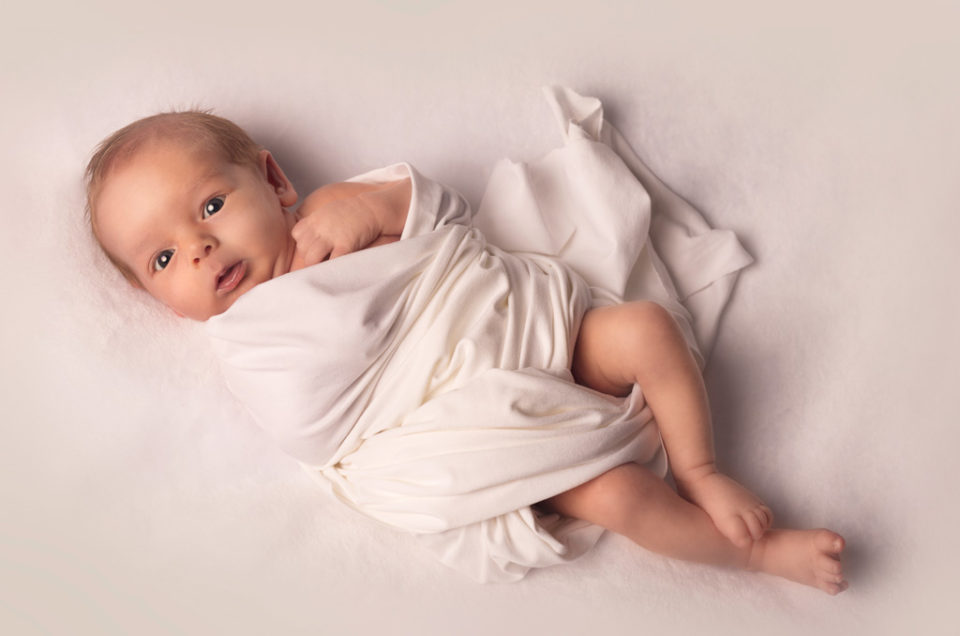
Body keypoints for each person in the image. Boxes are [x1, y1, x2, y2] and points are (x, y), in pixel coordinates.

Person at [85, 109, 848, 594]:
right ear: (160, 303)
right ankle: (755, 557)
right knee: (619, 498)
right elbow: (316, 432)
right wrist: (347, 323)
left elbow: (456, 226)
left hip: (533, 331)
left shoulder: (333, 210)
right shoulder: (247, 343)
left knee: (646, 328)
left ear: (273, 180)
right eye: (162, 260)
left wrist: (382, 205)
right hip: (480, 434)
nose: (199, 247)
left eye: (211, 205)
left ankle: (702, 469)